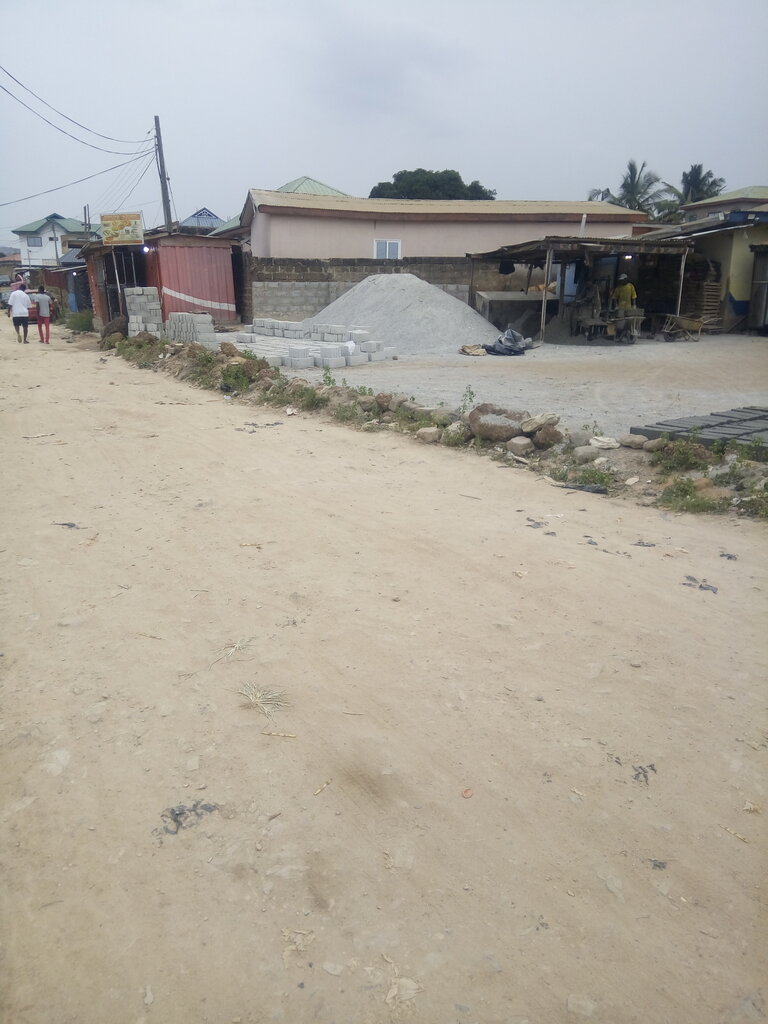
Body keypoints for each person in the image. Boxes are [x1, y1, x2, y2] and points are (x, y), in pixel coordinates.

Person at [611, 273, 639, 343]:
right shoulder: (618, 288)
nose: (621, 281)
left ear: (626, 279)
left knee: (628, 322)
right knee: (620, 323)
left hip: (628, 307)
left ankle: (627, 334)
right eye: (621, 280)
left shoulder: (630, 286)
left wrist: (634, 305)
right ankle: (619, 335)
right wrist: (616, 306)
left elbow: (634, 296)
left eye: (622, 280)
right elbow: (614, 297)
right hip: (621, 308)